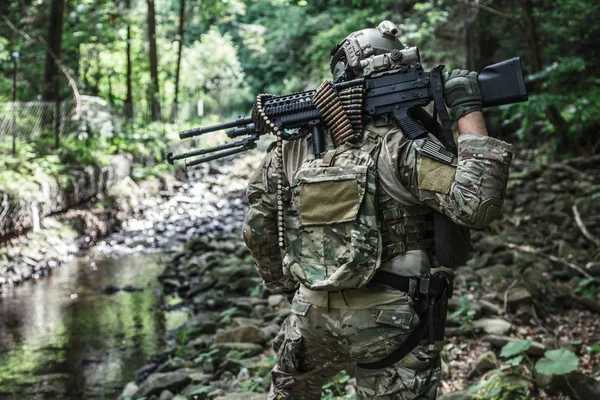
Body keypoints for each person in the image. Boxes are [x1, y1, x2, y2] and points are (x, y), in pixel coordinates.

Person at [243, 21, 513, 400]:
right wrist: (467, 108)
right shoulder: (401, 147)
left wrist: (292, 286)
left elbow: (257, 231)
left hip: (310, 317)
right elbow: (476, 204)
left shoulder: (289, 151)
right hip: (390, 323)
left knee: (291, 389)